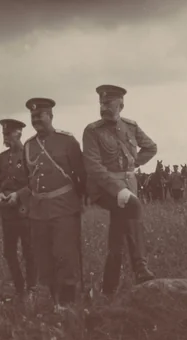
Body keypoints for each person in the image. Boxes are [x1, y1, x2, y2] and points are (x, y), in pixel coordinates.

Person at [82, 84, 157, 297]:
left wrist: (132, 165)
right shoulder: (92, 131)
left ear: (120, 104)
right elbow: (94, 167)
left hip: (128, 185)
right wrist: (119, 190)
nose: (104, 107)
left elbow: (151, 147)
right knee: (133, 207)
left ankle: (109, 287)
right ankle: (140, 267)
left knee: (118, 233)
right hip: (104, 189)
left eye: (108, 103)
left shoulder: (131, 127)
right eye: (101, 103)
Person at [13, 98, 87, 308]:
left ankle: (67, 303)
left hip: (64, 208)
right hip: (38, 212)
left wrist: (79, 201)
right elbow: (30, 179)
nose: (36, 120)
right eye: (33, 117)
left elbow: (81, 174)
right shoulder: (28, 146)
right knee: (43, 258)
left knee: (65, 255)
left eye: (40, 116)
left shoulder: (67, 141)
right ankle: (51, 299)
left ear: (51, 116)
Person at [0, 119, 34, 302]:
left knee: (29, 251)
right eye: (4, 134)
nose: (6, 138)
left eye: (8, 134)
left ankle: (32, 288)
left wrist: (19, 195)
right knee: (9, 252)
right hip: (7, 214)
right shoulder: (2, 158)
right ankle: (20, 288)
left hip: (25, 212)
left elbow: (35, 182)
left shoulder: (29, 154)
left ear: (18, 134)